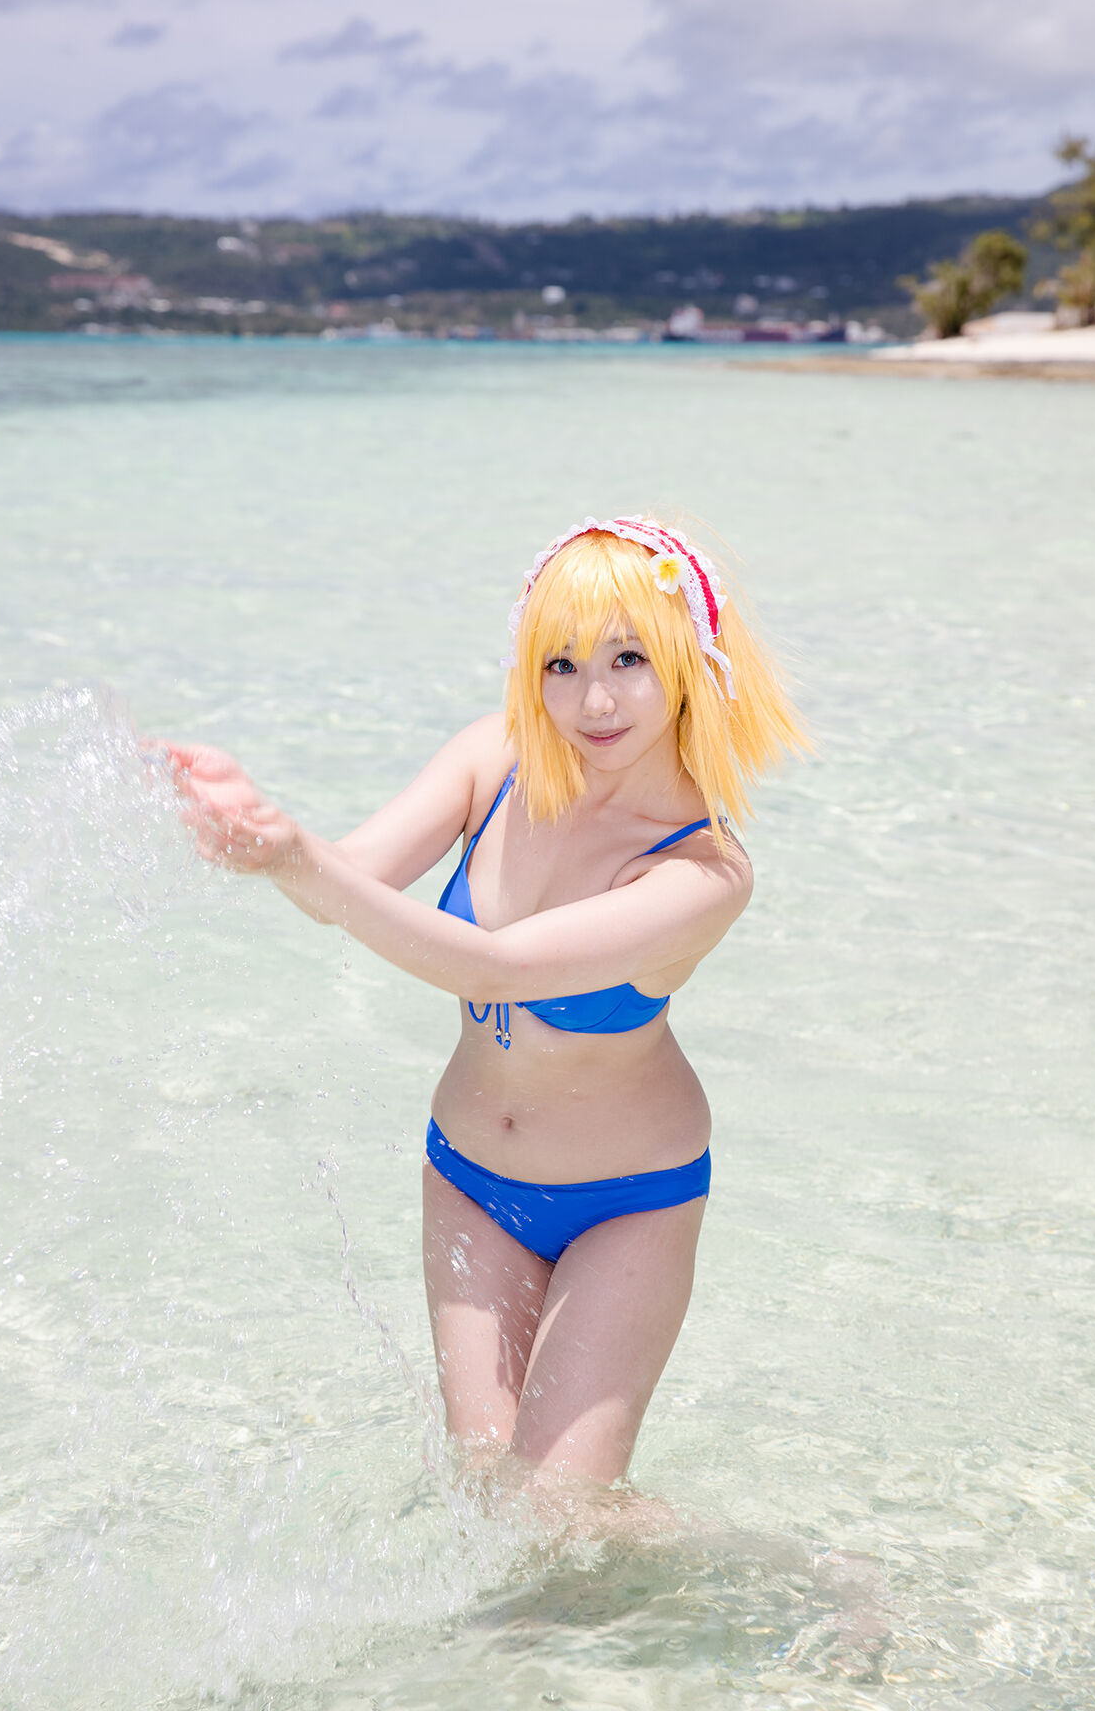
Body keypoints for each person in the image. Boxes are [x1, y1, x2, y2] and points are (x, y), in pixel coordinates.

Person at [169, 517, 806, 1489]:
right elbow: (351, 880)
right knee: (484, 1492)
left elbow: (499, 968)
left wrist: (298, 862)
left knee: (558, 1514)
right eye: (561, 664)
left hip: (627, 1202)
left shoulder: (704, 869)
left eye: (628, 659)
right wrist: (260, 831)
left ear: (688, 659)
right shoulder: (495, 758)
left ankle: (777, 1567)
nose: (593, 699)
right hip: (470, 1179)